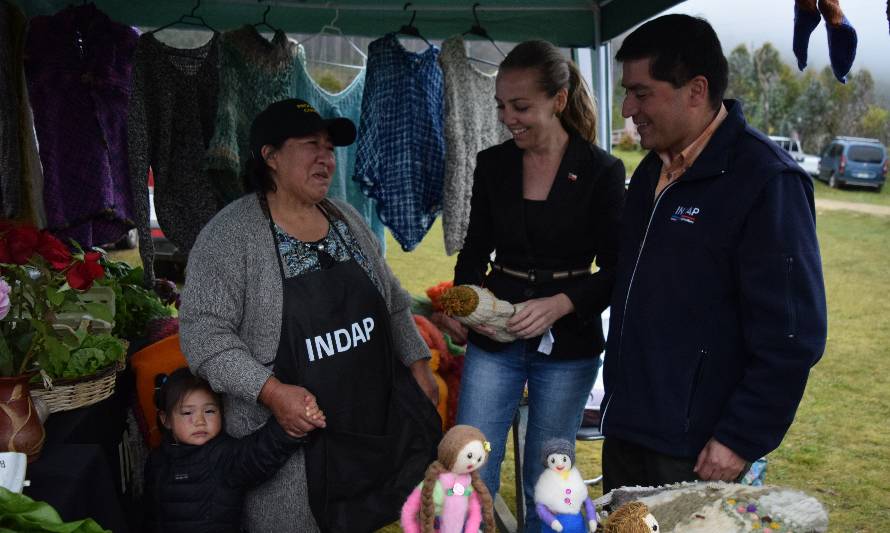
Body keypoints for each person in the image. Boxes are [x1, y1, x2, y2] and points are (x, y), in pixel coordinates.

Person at [179, 99, 442, 533]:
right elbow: (204, 335)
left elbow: (392, 299)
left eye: (330, 148)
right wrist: (272, 391)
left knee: (372, 513)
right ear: (271, 156)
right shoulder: (230, 235)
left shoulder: (347, 219)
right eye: (310, 145)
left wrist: (418, 363)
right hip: (293, 448)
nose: (326, 158)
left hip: (368, 426)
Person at [600, 14, 827, 493]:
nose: (626, 108)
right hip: (628, 428)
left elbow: (792, 336)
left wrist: (739, 438)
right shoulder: (648, 176)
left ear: (697, 89)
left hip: (700, 447)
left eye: (642, 93)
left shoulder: (766, 180)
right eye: (627, 92)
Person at [453, 40, 626, 528]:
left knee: (548, 474)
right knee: (470, 463)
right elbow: (473, 251)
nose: (509, 117)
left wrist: (561, 303)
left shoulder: (602, 172)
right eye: (502, 106)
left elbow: (616, 270)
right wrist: (465, 302)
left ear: (559, 100)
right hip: (494, 336)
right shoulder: (493, 164)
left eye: (521, 106)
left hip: (568, 345)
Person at [143, 367, 312, 533]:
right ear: (166, 419)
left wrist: (289, 425)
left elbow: (258, 453)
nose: (200, 421)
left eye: (209, 411)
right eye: (187, 413)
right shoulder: (156, 460)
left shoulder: (223, 455)